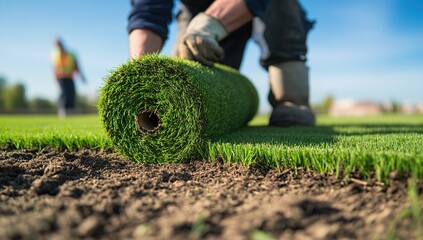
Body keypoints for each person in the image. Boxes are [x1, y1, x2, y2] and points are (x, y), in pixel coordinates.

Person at [128, 0, 315, 126]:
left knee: (281, 12)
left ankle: (292, 100)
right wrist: (140, 69)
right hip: (198, 8)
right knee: (202, 91)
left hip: (268, 7)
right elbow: (149, 10)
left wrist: (207, 26)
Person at [51, 38, 87, 117]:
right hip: (60, 77)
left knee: (72, 93)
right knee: (64, 93)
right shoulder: (55, 54)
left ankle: (71, 111)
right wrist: (54, 79)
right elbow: (54, 67)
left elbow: (76, 65)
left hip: (70, 77)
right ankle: (62, 111)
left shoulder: (71, 54)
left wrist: (81, 76)